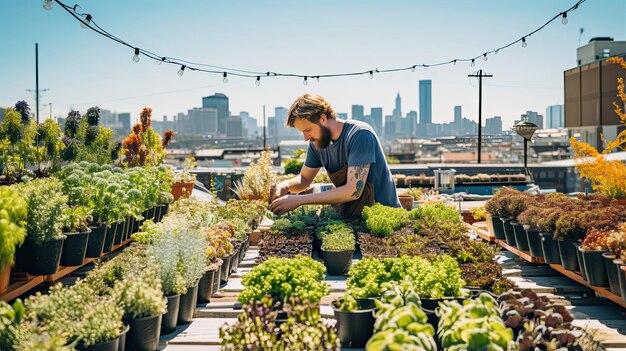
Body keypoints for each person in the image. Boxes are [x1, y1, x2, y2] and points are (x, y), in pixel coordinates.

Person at [269, 94, 401, 219]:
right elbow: (304, 179)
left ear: (323, 119)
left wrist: (299, 200)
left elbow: (353, 190)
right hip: (354, 217)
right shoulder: (317, 144)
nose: (306, 137)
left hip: (384, 218)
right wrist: (285, 185)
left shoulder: (359, 135)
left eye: (308, 130)